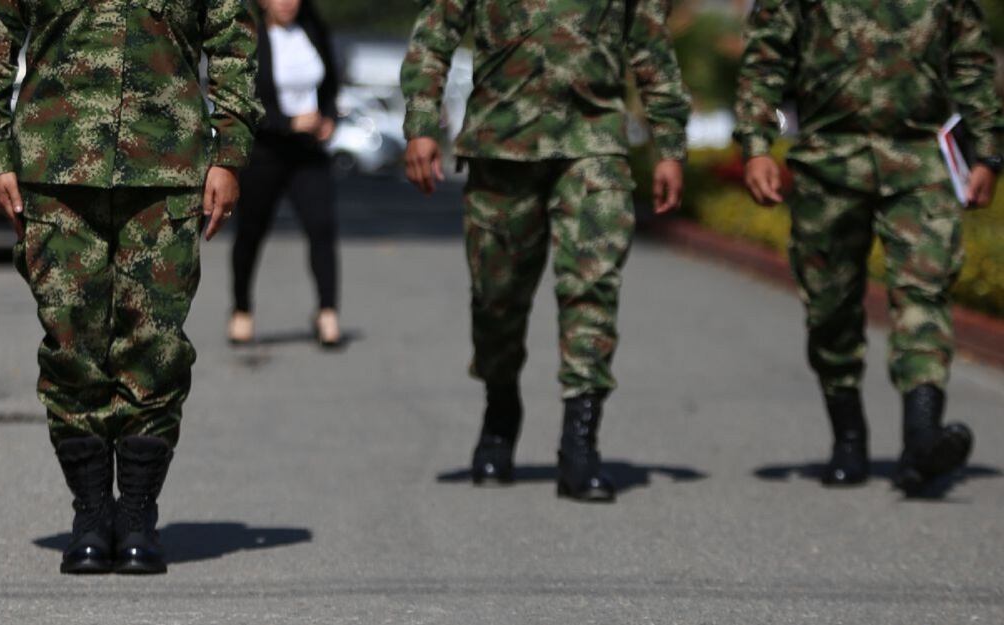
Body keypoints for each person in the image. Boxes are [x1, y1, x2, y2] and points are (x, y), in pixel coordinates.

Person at [0, 0, 261, 573]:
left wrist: (230, 153)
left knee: (155, 346)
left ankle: (138, 515)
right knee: (71, 346)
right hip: (56, 167)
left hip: (167, 168)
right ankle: (91, 513)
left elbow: (233, 39)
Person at [401, 0, 690, 502]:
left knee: (592, 290)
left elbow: (651, 47)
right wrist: (422, 123)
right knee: (497, 300)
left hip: (593, 146)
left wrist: (670, 145)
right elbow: (434, 34)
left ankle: (580, 445)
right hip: (500, 149)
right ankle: (500, 406)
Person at [734, 0, 1002, 494]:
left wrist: (987, 151)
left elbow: (971, 61)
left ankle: (921, 439)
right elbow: (766, 60)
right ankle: (848, 436)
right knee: (829, 309)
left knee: (923, 294)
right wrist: (755, 145)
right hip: (827, 161)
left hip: (920, 162)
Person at [228, 0, 342, 348]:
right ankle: (242, 308)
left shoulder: (312, 29)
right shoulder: (250, 37)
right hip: (266, 152)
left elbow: (332, 81)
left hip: (308, 152)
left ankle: (327, 312)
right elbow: (244, 99)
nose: (288, 3)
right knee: (251, 231)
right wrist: (288, 123)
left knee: (321, 226)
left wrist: (328, 117)